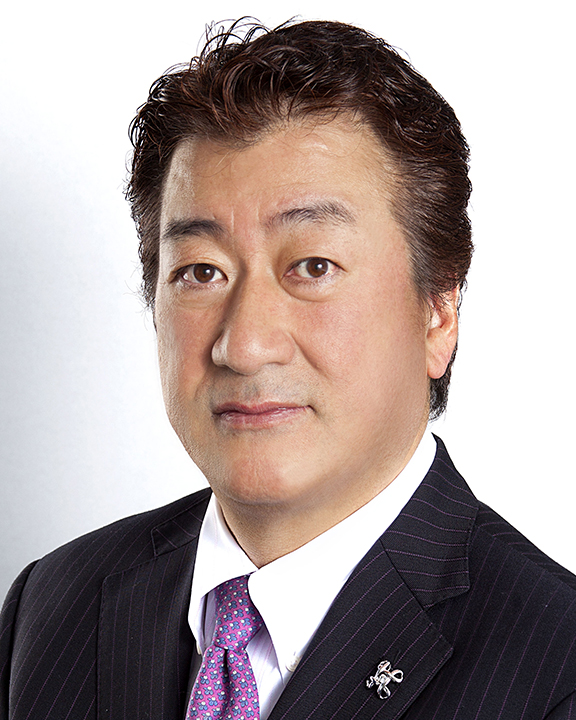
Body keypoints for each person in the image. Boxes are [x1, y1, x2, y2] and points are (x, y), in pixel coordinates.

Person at [1, 18, 575, 720]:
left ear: (438, 312)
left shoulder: (556, 668)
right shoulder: (51, 605)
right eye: (201, 272)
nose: (244, 346)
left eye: (313, 266)